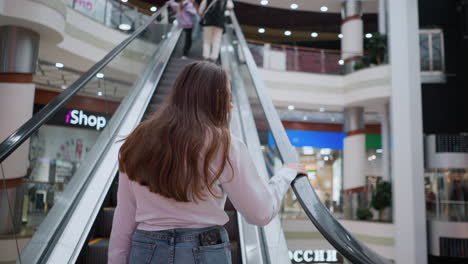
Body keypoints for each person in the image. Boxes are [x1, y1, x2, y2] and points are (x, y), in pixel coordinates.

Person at [108, 62, 306, 264]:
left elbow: (125, 215)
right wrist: (284, 176)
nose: (231, 105)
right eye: (228, 97)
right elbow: (260, 213)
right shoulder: (224, 144)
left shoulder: (137, 140)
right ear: (215, 99)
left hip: (146, 250)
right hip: (203, 250)